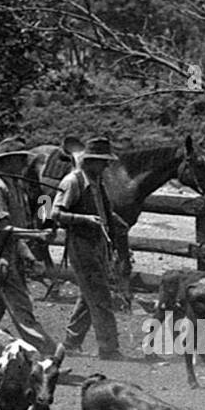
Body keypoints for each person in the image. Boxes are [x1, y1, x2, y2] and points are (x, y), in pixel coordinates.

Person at [0, 136, 57, 355]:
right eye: (19, 160)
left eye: (24, 159)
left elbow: (38, 209)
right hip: (1, 253)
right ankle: (50, 355)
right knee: (22, 311)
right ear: (6, 162)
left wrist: (31, 245)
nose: (24, 164)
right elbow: (4, 228)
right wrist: (38, 234)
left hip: (13, 249)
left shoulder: (20, 186)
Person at [40, 136, 125, 359]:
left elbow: (101, 209)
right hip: (81, 245)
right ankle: (109, 348)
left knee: (89, 294)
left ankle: (71, 341)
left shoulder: (97, 182)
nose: (107, 165)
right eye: (103, 161)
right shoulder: (72, 181)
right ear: (90, 161)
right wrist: (84, 219)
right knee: (101, 296)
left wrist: (113, 220)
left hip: (97, 245)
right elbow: (55, 212)